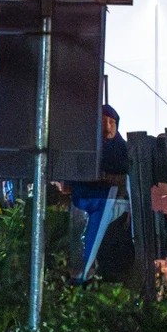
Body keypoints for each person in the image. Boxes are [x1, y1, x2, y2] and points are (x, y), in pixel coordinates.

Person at [69, 104, 132, 284]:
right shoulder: (86, 147)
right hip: (84, 202)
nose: (108, 127)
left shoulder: (122, 149)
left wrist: (104, 177)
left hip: (113, 206)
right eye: (103, 121)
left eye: (112, 122)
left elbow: (125, 178)